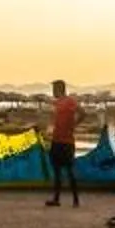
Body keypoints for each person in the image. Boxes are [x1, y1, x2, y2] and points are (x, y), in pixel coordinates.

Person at [46, 78, 81, 208]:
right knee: (58, 171)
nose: (53, 91)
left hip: (66, 142)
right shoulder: (58, 103)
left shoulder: (70, 101)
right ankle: (57, 199)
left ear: (59, 89)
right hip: (57, 140)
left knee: (68, 171)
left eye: (54, 89)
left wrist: (74, 125)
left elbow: (83, 113)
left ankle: (75, 199)